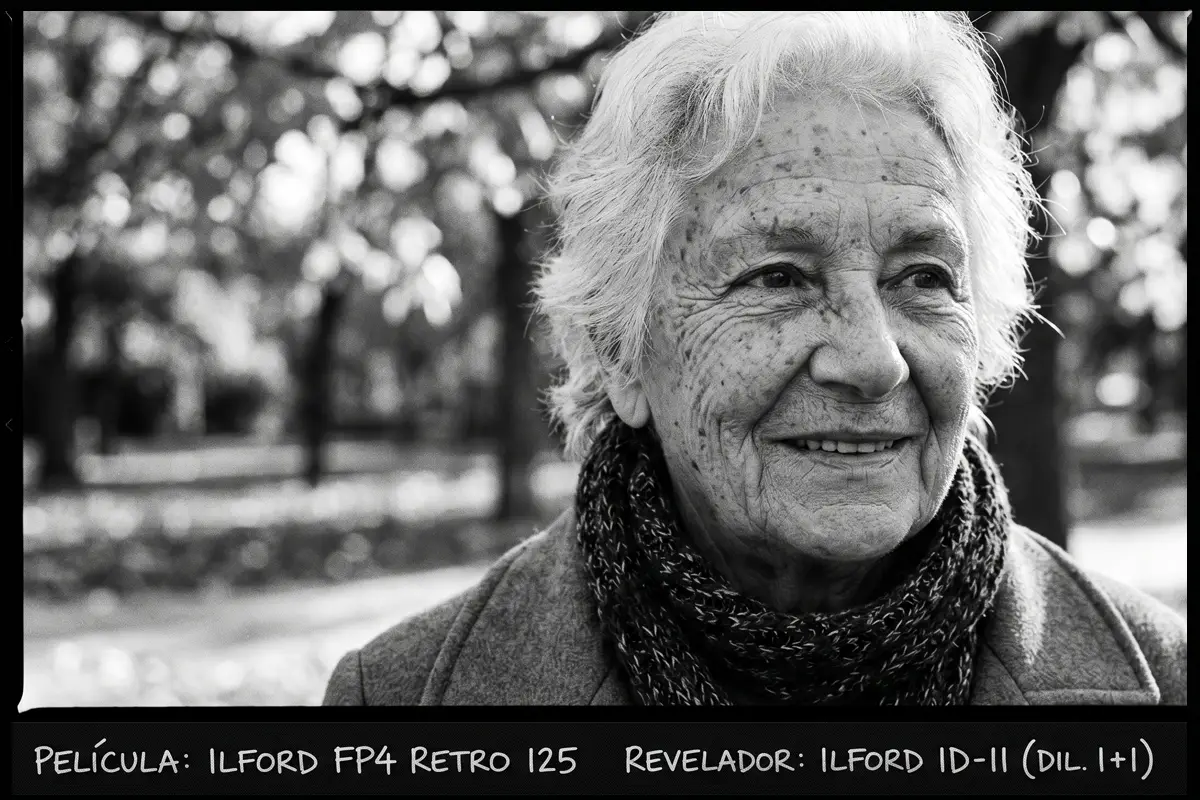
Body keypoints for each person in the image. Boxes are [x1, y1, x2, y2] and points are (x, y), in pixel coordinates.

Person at [324, 11, 1186, 706]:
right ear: (620, 351)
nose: (873, 361)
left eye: (924, 277)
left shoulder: (1165, 680)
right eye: (779, 277)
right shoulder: (401, 699)